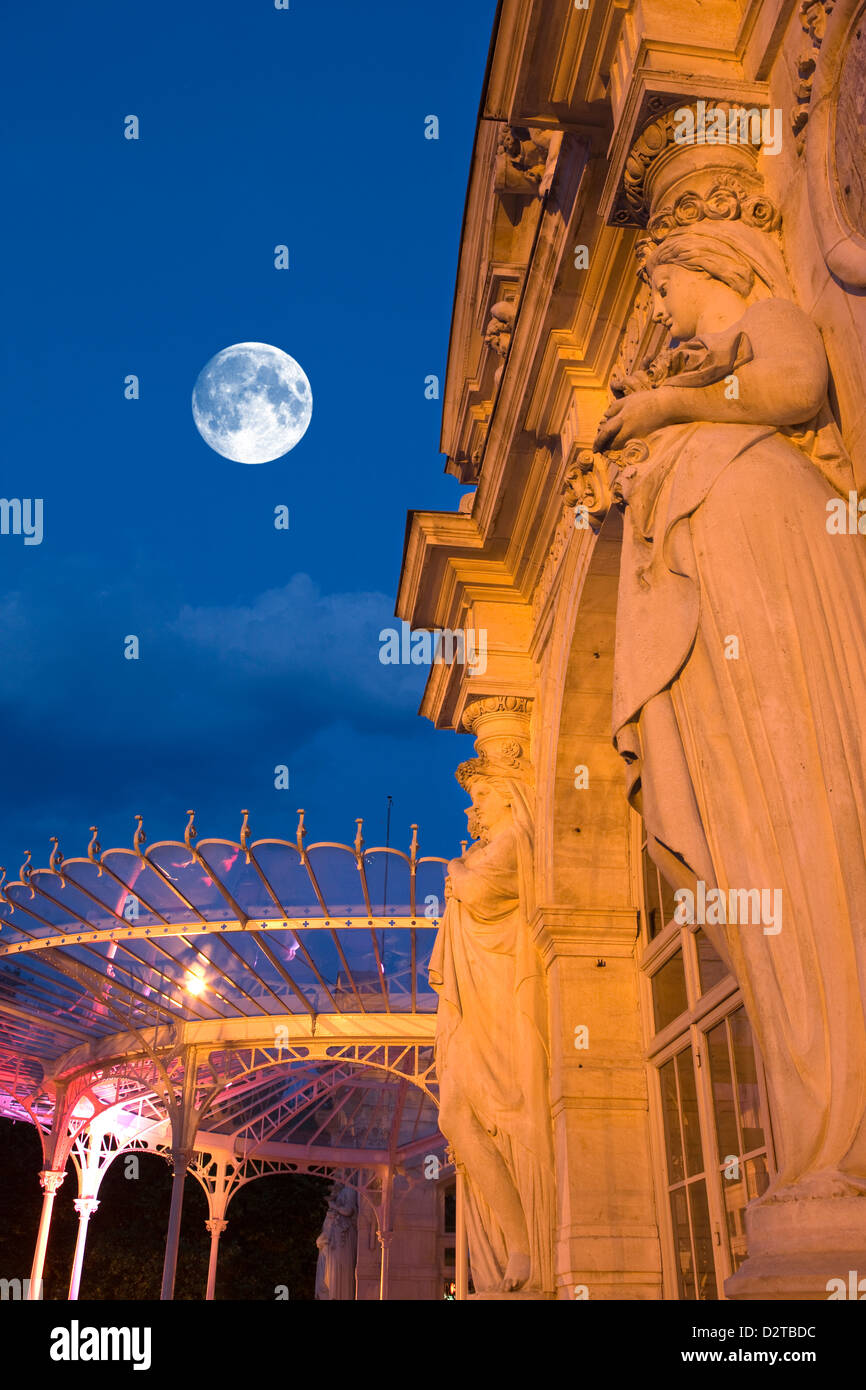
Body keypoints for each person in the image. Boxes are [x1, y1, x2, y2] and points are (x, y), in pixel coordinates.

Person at [593, 219, 866, 1200]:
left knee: (807, 812)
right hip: (726, 581)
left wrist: (669, 405)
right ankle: (816, 1138)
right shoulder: (709, 383)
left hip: (770, 555)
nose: (657, 309)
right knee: (763, 842)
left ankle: (841, 1128)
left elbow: (795, 387)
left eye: (659, 288)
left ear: (704, 265)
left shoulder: (766, 318)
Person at [430, 757, 555, 1294]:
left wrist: (455, 873)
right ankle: (517, 1238)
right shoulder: (484, 849)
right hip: (476, 999)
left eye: (481, 794)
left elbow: (481, 893)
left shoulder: (515, 842)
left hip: (503, 995)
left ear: (509, 795)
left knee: (489, 1114)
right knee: (454, 1118)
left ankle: (526, 1241)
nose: (471, 805)